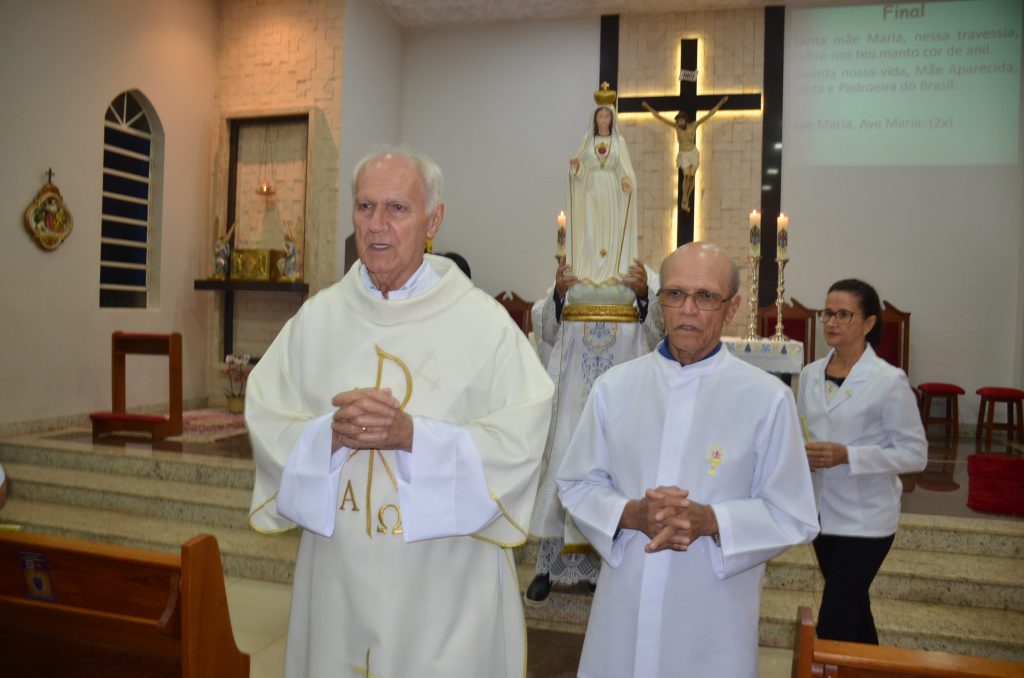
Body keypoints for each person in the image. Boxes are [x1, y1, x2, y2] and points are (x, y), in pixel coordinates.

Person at [246, 149, 554, 678]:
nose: (377, 225)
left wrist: (413, 435)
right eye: (365, 207)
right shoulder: (318, 319)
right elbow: (268, 416)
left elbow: (522, 438)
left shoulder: (484, 324)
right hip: (338, 581)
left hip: (444, 589)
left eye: (396, 208)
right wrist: (328, 435)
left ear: (434, 220)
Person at [557, 242, 819, 677]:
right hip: (627, 597)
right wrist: (629, 513)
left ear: (732, 306)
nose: (688, 311)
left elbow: (794, 513)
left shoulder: (766, 398)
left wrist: (713, 521)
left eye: (705, 297)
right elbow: (576, 483)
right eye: (675, 295)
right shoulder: (616, 387)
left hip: (712, 613)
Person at [797, 279, 927, 644]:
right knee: (853, 613)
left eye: (843, 314)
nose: (831, 322)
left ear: (868, 323)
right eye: (827, 313)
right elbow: (803, 429)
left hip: (867, 519)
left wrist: (848, 456)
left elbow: (915, 453)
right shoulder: (809, 375)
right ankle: (873, 666)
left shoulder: (888, 381)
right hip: (823, 514)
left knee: (835, 621)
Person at [526, 256, 662, 602]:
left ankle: (602, 570)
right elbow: (546, 329)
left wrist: (645, 295)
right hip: (575, 397)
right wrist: (558, 294)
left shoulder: (640, 275)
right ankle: (547, 569)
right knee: (563, 472)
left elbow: (659, 332)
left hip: (620, 402)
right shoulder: (574, 272)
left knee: (611, 479)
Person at [566, 94, 638, 286]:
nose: (604, 120)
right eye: (601, 116)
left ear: (612, 119)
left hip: (611, 192)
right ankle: (588, 272)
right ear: (595, 118)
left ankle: (610, 274)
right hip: (591, 191)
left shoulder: (618, 142)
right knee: (591, 231)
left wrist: (625, 180)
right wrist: (576, 167)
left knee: (610, 231)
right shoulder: (587, 141)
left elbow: (623, 168)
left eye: (607, 116)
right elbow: (581, 173)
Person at [643, 97, 728, 212]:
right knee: (686, 176)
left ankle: (687, 198)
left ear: (685, 120)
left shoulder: (694, 125)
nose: (679, 123)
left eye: (680, 121)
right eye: (677, 121)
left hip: (693, 153)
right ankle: (684, 198)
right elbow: (660, 117)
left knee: (692, 177)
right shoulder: (677, 127)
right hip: (683, 155)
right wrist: (648, 107)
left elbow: (709, 115)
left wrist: (720, 103)